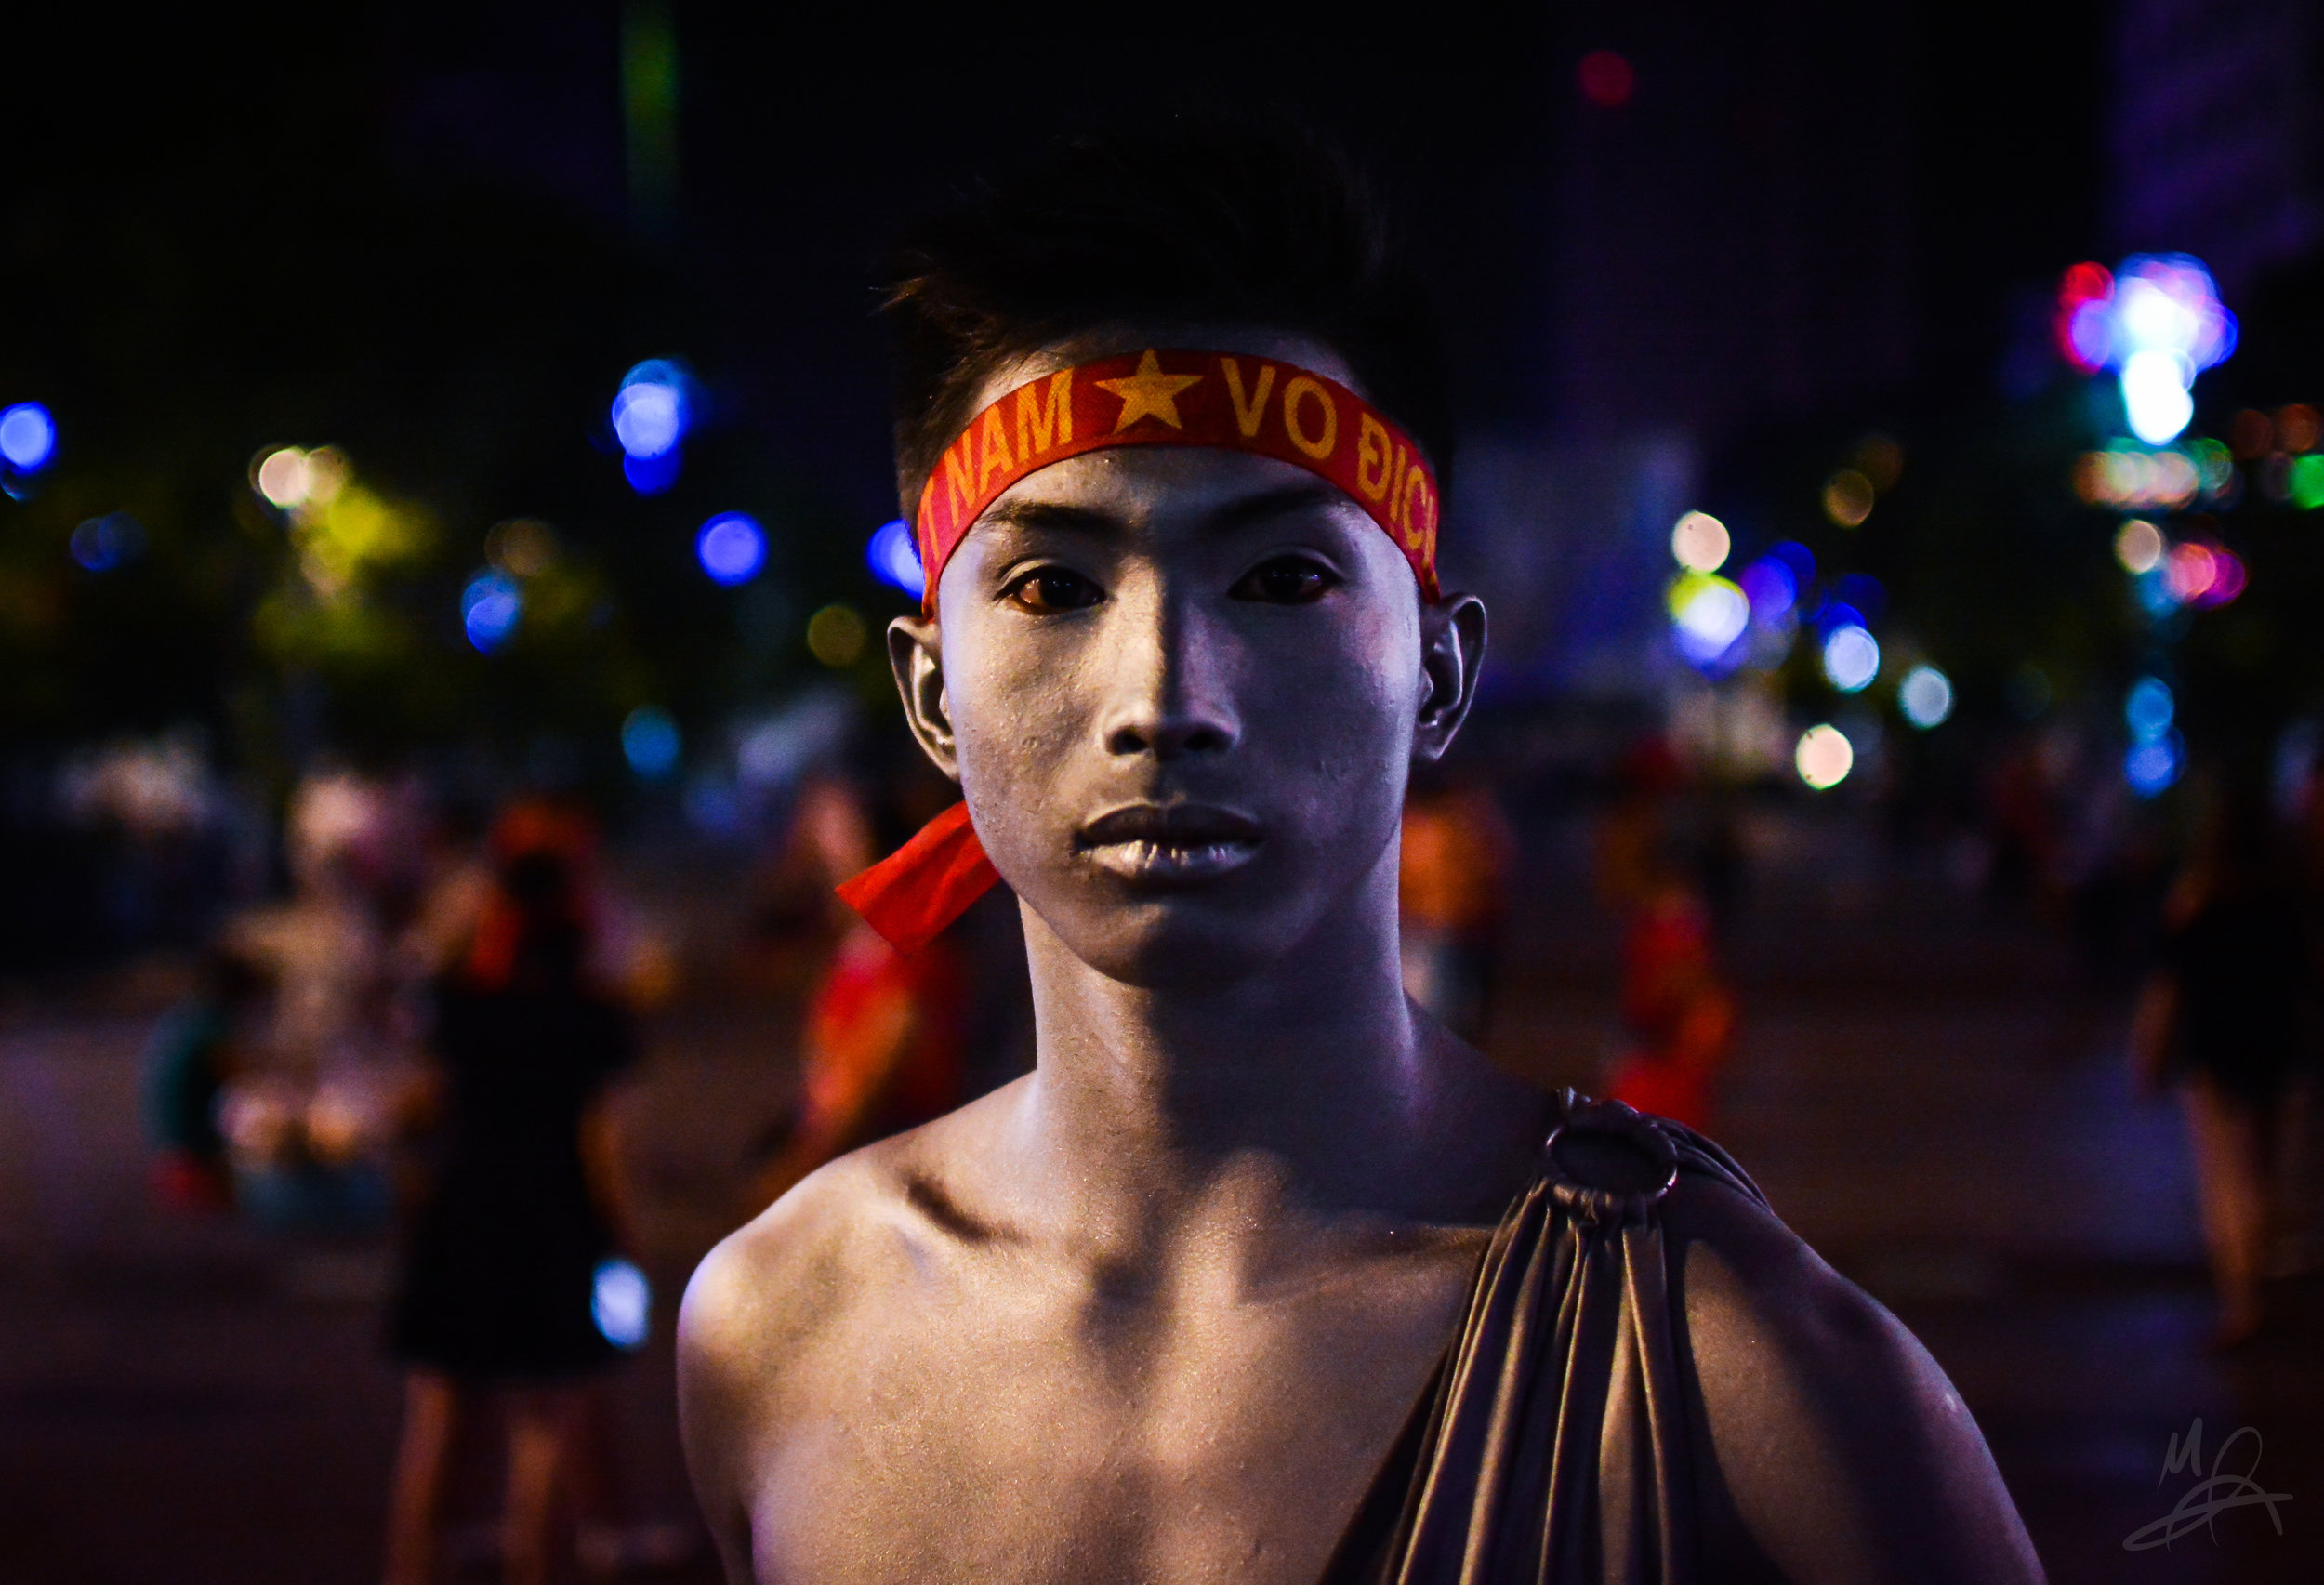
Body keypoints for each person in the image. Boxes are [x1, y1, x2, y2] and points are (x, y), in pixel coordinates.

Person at [680, 120, 2040, 1583]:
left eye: (1282, 576)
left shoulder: (1734, 1380)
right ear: (934, 695)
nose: (1164, 700)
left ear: (1440, 677)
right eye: (1054, 583)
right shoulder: (776, 1330)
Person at [384, 804, 640, 1585]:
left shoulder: (459, 994)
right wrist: (620, 1235)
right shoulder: (592, 1008)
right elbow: (604, 1138)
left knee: (439, 1419)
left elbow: (416, 1109)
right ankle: (537, 1568)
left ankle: (409, 1572)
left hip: (464, 1213)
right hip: (556, 1216)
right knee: (543, 1425)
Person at [2132, 779, 2314, 1348]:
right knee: (2265, 1172)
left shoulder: (2199, 897)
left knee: (2224, 1178)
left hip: (2213, 1053)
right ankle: (2261, 1274)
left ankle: (2242, 1295)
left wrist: (2150, 1052)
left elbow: (2170, 983)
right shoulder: (2292, 898)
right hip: (2277, 1048)